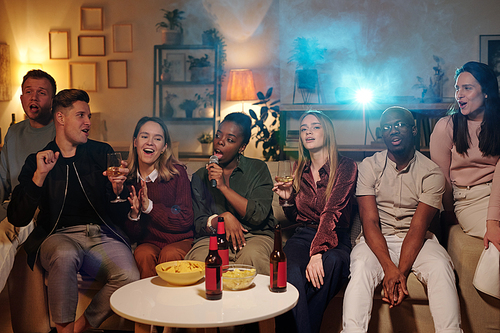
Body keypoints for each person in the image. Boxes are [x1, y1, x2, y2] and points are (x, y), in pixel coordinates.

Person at [7, 89, 139, 333]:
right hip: (58, 236)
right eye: (81, 115)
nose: (88, 122)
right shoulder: (37, 161)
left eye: (88, 116)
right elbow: (18, 216)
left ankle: (78, 328)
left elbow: (121, 213)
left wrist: (117, 190)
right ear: (61, 118)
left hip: (102, 235)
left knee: (129, 275)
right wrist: (39, 177)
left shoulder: (102, 153)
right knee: (64, 255)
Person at [341, 106, 463, 333]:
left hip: (418, 239)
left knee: (440, 266)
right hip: (377, 238)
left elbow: (418, 228)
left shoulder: (432, 172)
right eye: (387, 127)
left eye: (399, 125)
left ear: (414, 129)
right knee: (360, 268)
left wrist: (400, 274)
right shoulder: (369, 166)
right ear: (382, 133)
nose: (393, 131)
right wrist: (389, 268)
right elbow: (370, 223)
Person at [273, 110, 357, 333]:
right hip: (303, 236)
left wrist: (317, 253)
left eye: (315, 126)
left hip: (337, 238)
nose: (308, 131)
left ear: (327, 132)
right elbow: (297, 217)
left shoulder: (346, 166)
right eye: (303, 129)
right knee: (288, 271)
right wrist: (287, 200)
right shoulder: (298, 170)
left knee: (332, 264)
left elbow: (332, 211)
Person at [430, 61, 500, 299]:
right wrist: (450, 215)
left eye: (467, 88)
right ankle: (485, 286)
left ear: (487, 91)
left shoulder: (497, 125)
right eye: (457, 89)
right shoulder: (446, 126)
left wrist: (494, 220)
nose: (459, 95)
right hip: (470, 199)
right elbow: (443, 179)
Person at [185, 112, 276, 274]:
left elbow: (259, 215)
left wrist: (223, 187)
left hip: (254, 236)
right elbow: (198, 223)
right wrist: (222, 219)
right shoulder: (200, 176)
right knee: (200, 261)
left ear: (242, 147)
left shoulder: (257, 169)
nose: (220, 141)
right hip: (211, 239)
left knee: (252, 257)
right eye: (218, 135)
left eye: (230, 139)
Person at [0, 69, 57, 291]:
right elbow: (3, 178)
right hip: (11, 204)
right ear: (21, 98)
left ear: (53, 99)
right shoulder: (14, 132)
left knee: (4, 234)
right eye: (28, 92)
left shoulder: (61, 130)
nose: (33, 97)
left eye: (41, 92)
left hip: (35, 207)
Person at [124, 117, 194, 278]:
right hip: (149, 242)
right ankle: (148, 303)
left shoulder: (177, 174)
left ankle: (171, 303)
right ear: (135, 142)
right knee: (142, 254)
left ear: (164, 147)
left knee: (169, 255)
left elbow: (185, 220)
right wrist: (134, 215)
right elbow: (133, 236)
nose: (150, 142)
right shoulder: (128, 181)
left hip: (180, 240)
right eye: (144, 136)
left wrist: (150, 207)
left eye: (157, 138)